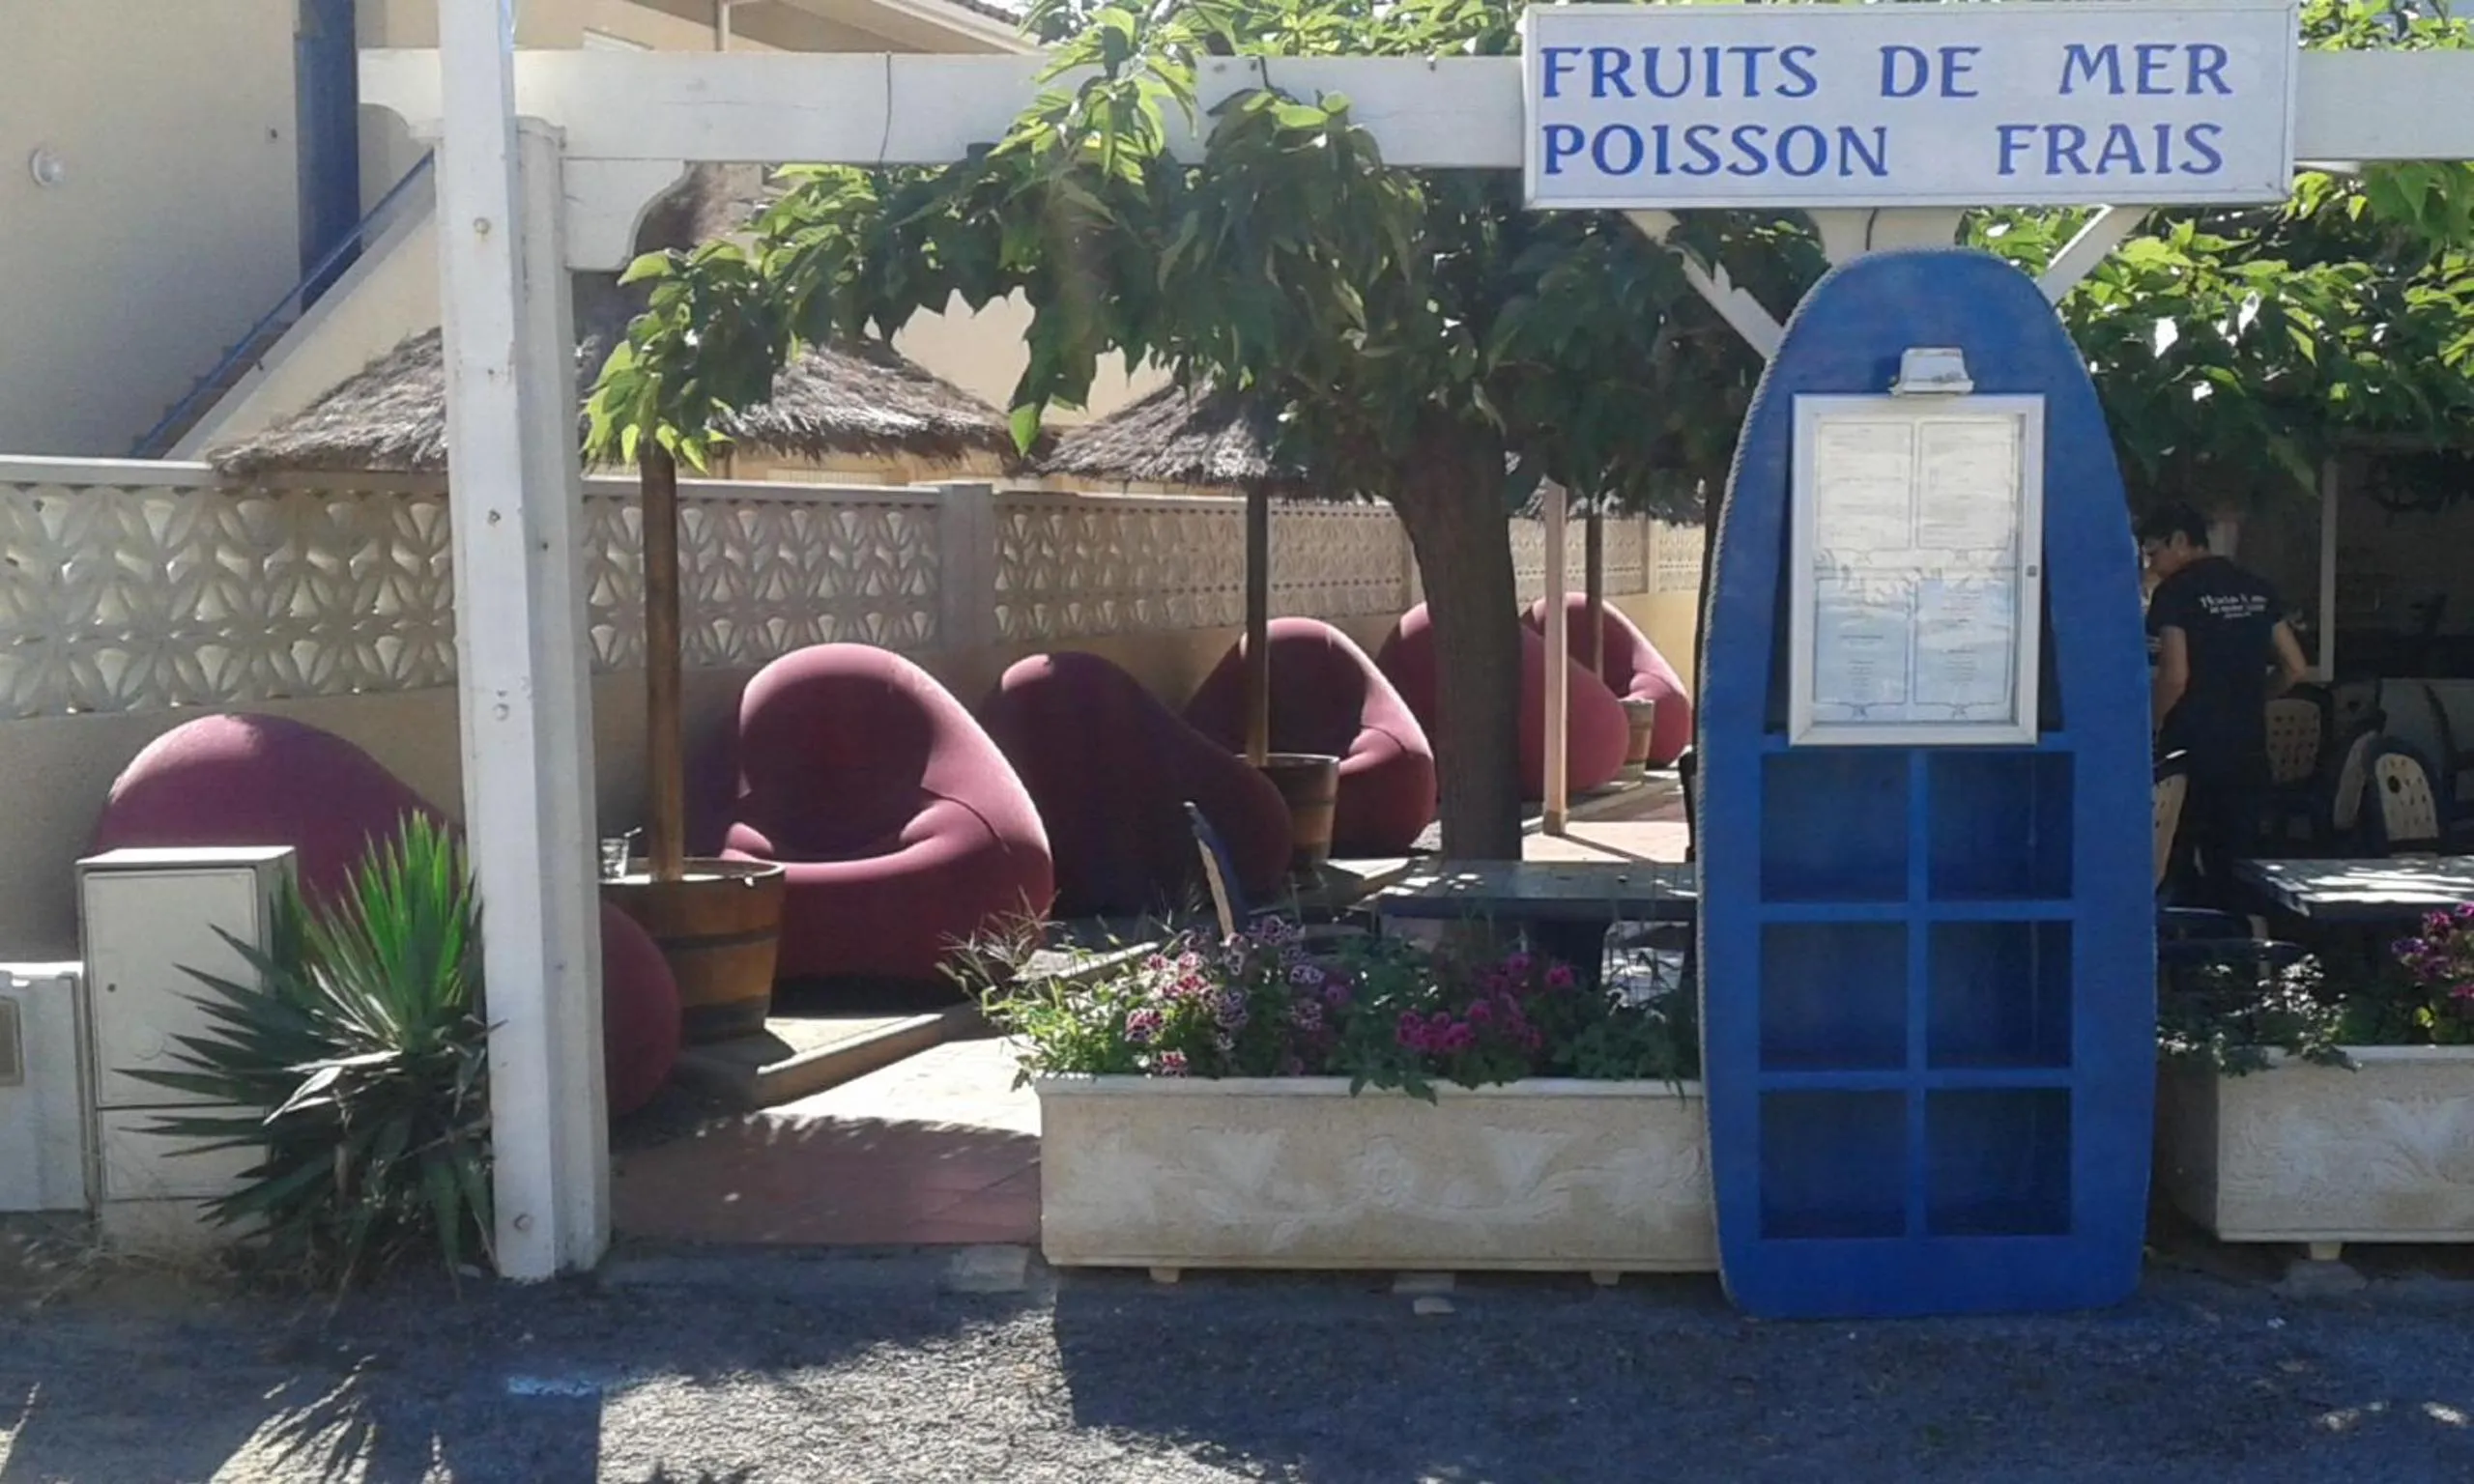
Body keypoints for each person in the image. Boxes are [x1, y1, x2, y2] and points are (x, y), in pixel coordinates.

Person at [2140, 503, 2311, 900]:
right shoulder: (2257, 587)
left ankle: (2189, 935)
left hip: (2191, 749)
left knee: (2176, 862)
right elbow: (2295, 667)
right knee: (2240, 866)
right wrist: (2254, 697)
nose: (2152, 566)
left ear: (2179, 541)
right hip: (2248, 747)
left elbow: (2175, 676)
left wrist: (2151, 723)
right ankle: (2247, 934)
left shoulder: (2175, 593)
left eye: (2153, 553)